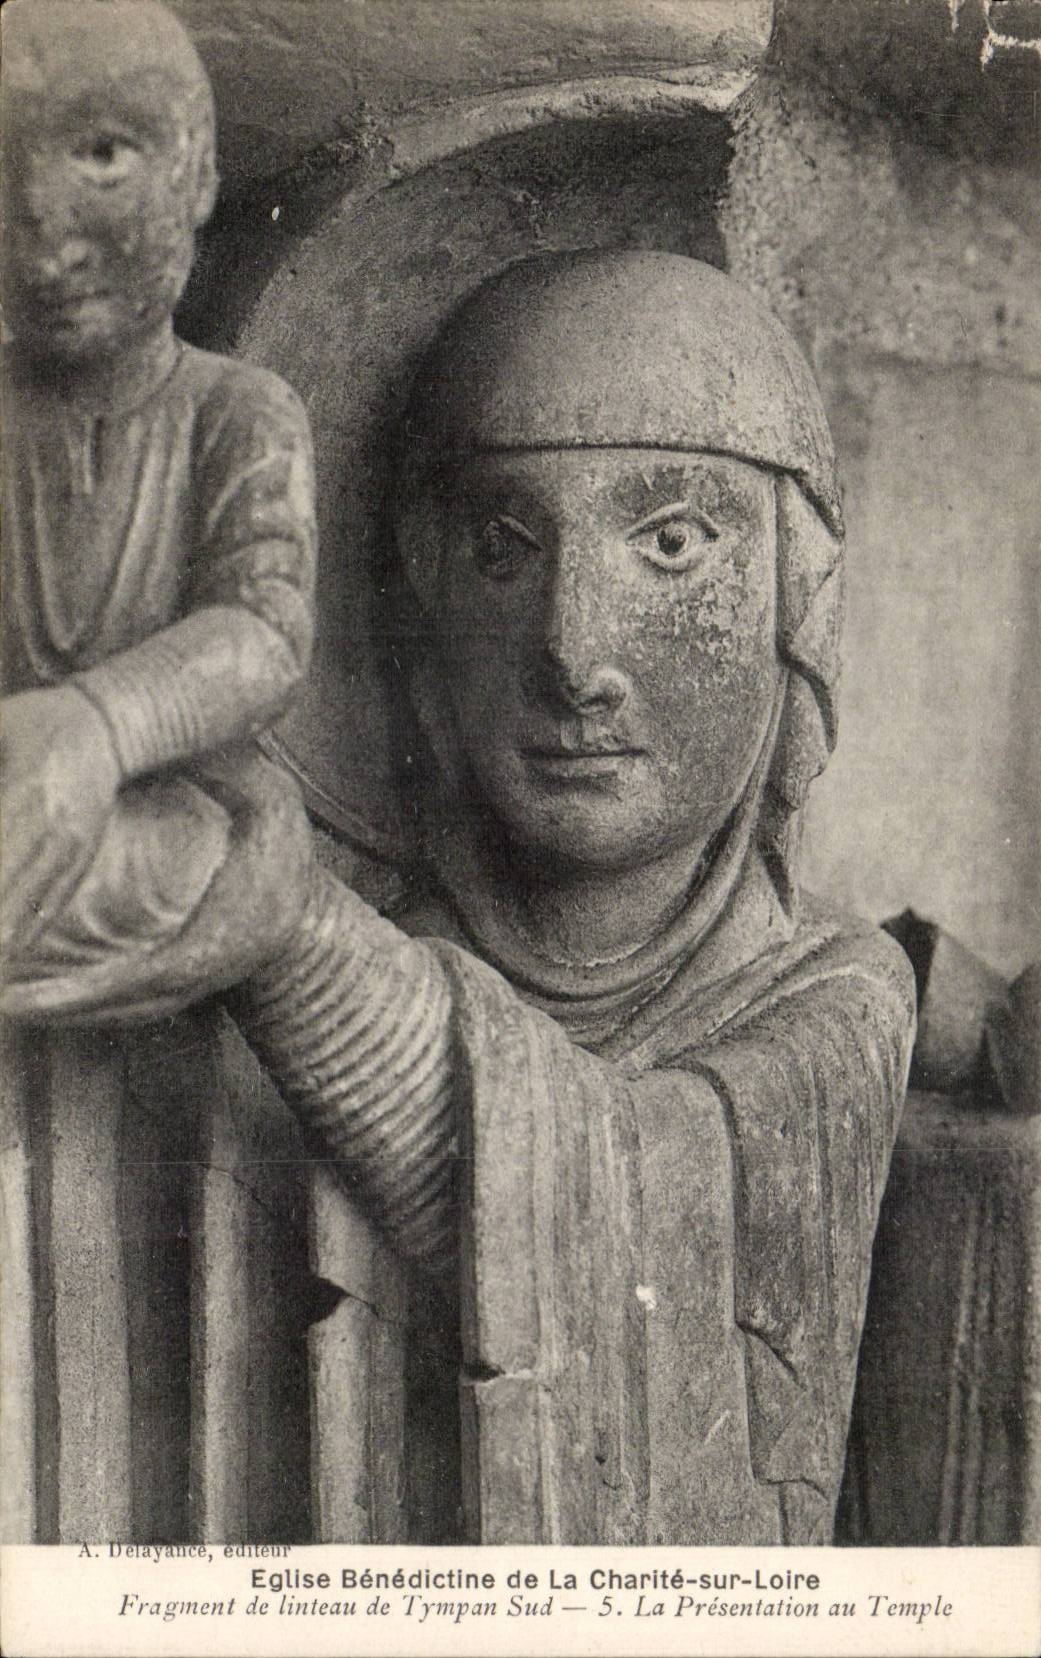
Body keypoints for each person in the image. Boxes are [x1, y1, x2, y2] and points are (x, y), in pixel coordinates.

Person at [6, 251, 916, 1545]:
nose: (574, 650)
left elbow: (630, 1223)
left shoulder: (831, 995)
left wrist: (296, 940)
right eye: (503, 547)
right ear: (416, 604)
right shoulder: (347, 933)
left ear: (797, 600)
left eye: (670, 542)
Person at [0, 0, 316, 973]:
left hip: (149, 816)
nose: (45, 234)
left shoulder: (235, 411)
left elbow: (264, 634)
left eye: (100, 154)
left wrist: (98, 724)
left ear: (198, 175)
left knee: (194, 864)